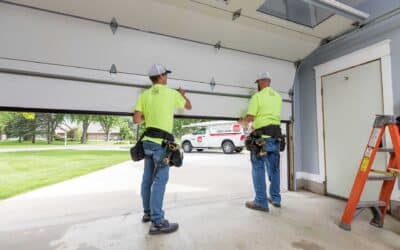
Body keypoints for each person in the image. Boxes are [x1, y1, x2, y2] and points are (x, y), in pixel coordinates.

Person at [133, 63, 192, 235]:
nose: (167, 77)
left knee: (147, 180)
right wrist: (181, 95)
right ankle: (158, 222)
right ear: (161, 76)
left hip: (148, 142)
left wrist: (150, 114)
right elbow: (188, 106)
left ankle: (148, 213)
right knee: (159, 181)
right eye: (166, 74)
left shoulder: (144, 95)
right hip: (161, 144)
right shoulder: (171, 93)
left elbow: (136, 119)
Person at [241, 72, 282, 212]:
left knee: (258, 168)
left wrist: (242, 121)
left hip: (261, 139)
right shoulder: (278, 97)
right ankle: (276, 199)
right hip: (276, 137)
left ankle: (260, 202)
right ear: (269, 82)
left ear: (259, 82)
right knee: (275, 169)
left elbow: (250, 117)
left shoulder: (257, 96)